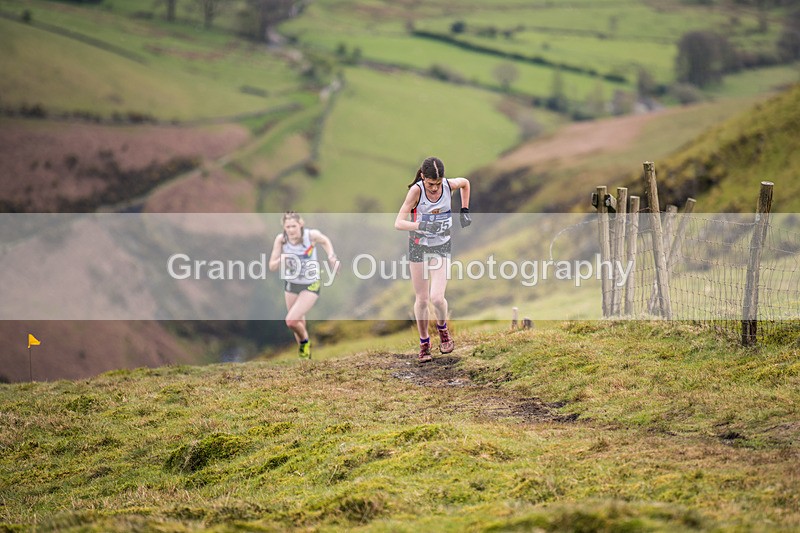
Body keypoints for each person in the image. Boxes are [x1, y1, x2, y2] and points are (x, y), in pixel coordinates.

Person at [394, 156, 471, 363]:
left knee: (437, 298)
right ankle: (424, 343)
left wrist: (464, 209)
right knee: (422, 299)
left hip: (441, 247)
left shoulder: (448, 185)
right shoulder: (416, 191)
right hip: (418, 247)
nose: (435, 189)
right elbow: (398, 222)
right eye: (431, 184)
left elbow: (465, 183)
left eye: (438, 184)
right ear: (422, 177)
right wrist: (421, 226)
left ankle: (443, 330)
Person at [268, 211, 338, 359]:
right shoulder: (281, 240)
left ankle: (305, 341)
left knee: (291, 321)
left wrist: (332, 257)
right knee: (298, 321)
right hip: (292, 284)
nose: (291, 230)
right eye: (287, 227)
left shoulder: (310, 235)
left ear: (300, 224)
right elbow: (272, 266)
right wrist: (282, 258)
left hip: (311, 284)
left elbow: (325, 241)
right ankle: (305, 358)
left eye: (293, 226)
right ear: (284, 227)